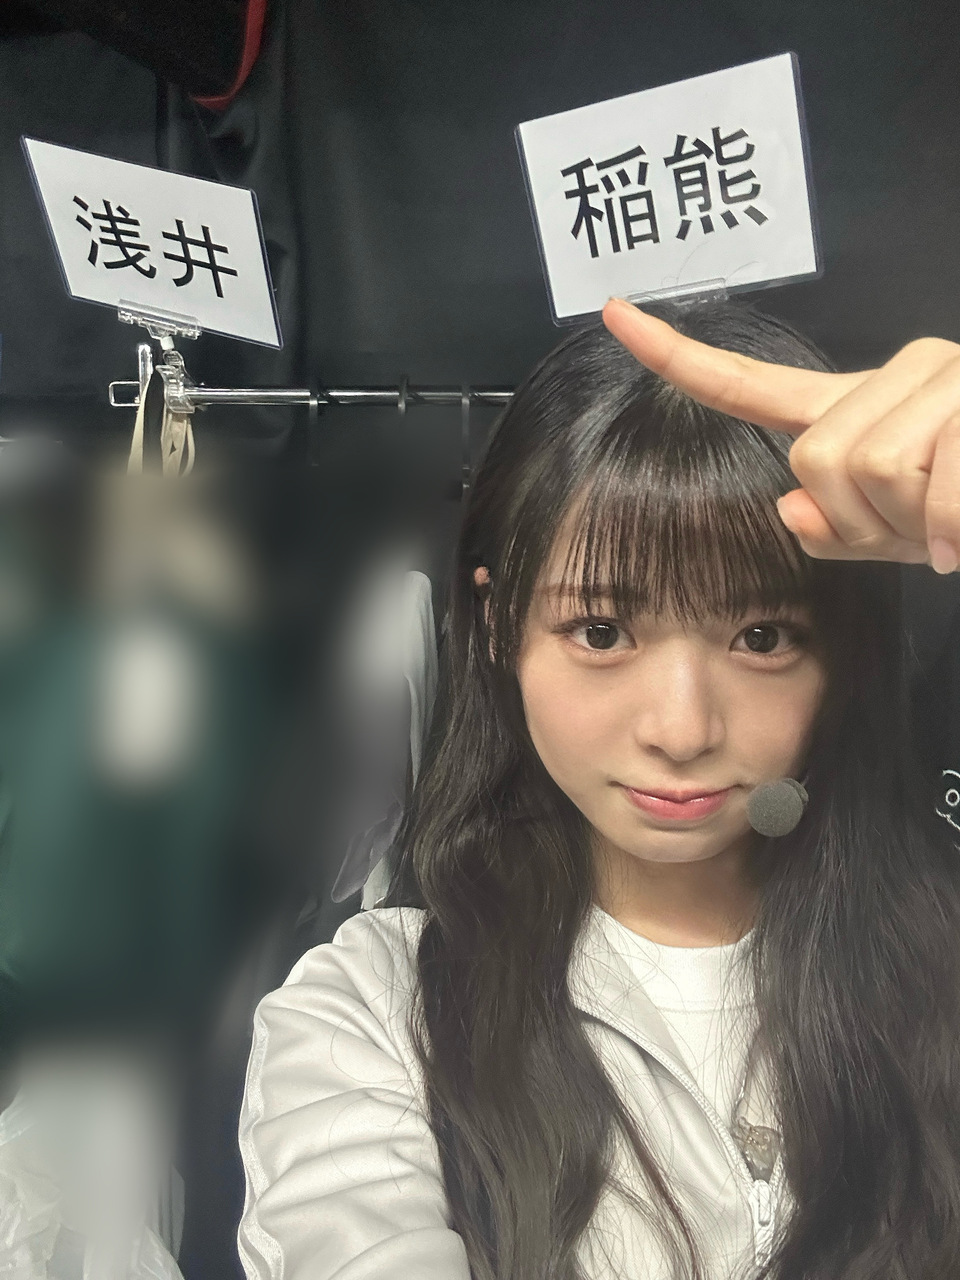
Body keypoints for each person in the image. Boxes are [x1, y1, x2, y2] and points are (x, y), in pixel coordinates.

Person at [236, 297, 960, 1280]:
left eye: (761, 636)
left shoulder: (935, 975)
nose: (682, 730)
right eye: (603, 632)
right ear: (500, 625)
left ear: (842, 652)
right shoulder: (377, 1009)